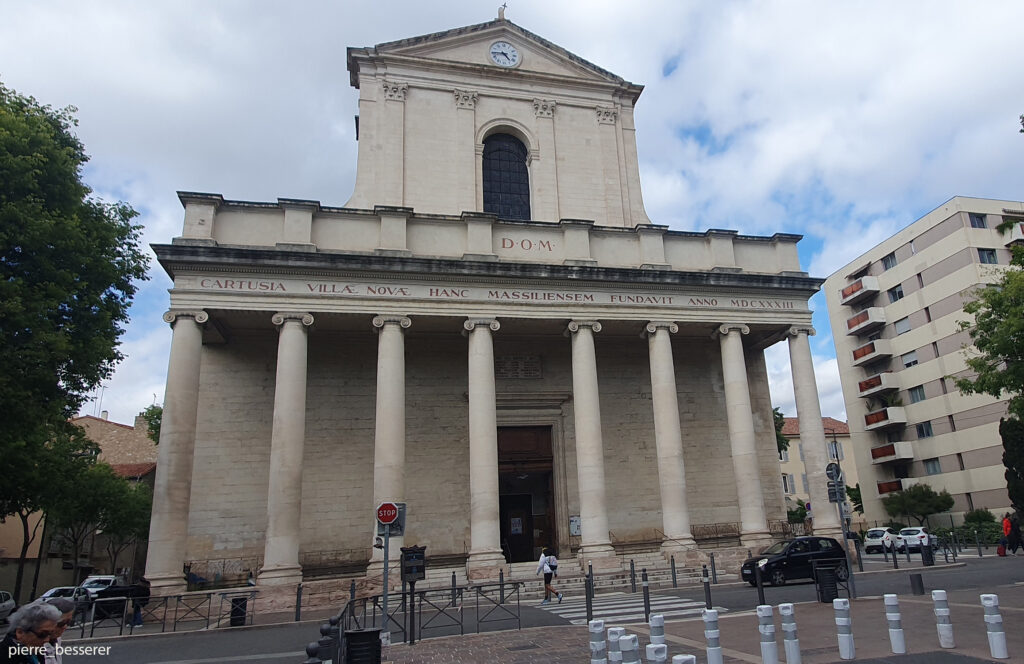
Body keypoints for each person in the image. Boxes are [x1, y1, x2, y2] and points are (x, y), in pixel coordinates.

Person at [40, 598, 75, 664]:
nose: (65, 627)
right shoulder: (36, 644)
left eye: (69, 622)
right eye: (61, 623)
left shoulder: (57, 638)